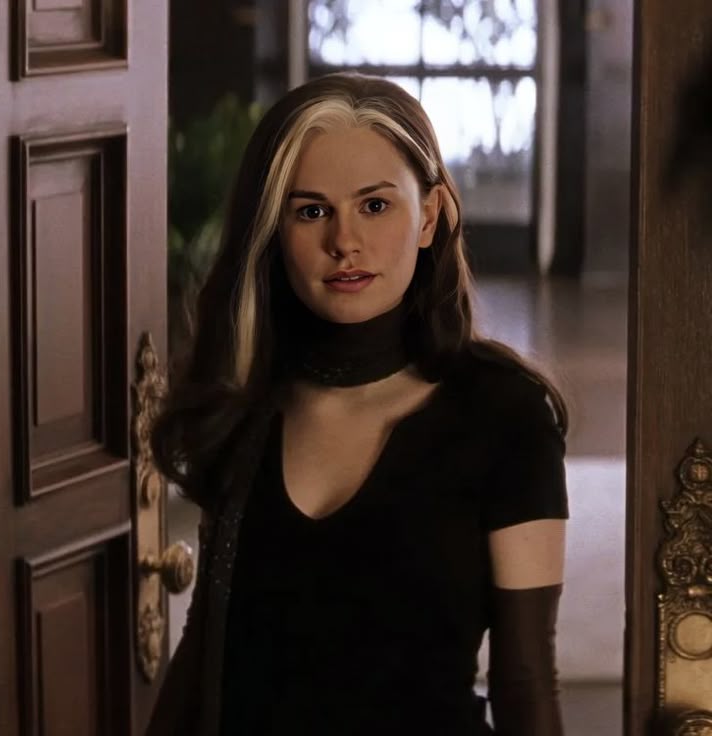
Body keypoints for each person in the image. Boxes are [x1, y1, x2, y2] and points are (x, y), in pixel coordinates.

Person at [146, 73, 569, 736]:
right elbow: (206, 652)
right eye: (311, 211)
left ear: (428, 215)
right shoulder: (245, 405)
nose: (345, 241)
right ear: (273, 229)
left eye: (375, 205)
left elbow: (525, 683)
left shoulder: (505, 414)